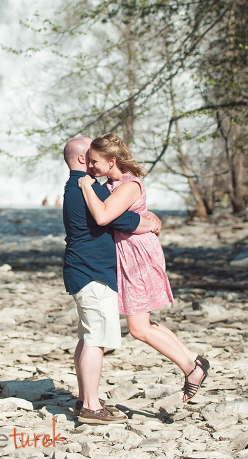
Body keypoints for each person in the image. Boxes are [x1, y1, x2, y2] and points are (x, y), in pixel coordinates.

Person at [78, 133, 209, 402]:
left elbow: (103, 216)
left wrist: (85, 185)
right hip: (129, 254)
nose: (90, 166)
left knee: (138, 328)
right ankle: (195, 359)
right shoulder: (113, 183)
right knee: (144, 323)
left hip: (138, 256)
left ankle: (191, 369)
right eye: (88, 162)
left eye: (94, 162)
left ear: (111, 161)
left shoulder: (128, 186)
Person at [63, 136, 161, 424]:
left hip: (82, 269)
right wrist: (150, 223)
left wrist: (146, 215)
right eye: (92, 156)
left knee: (87, 337)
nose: (96, 162)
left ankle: (84, 398)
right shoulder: (88, 188)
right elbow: (119, 219)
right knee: (96, 339)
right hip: (93, 272)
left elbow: (118, 212)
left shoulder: (75, 186)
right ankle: (91, 407)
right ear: (83, 159)